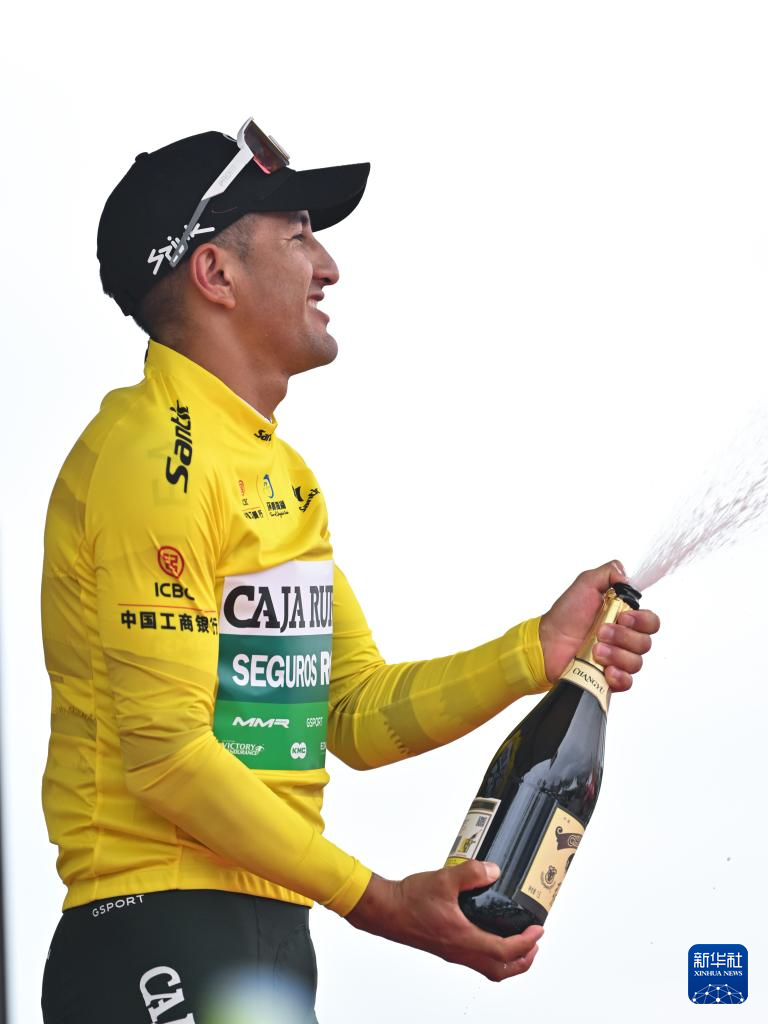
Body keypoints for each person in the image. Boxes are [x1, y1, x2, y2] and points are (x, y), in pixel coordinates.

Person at [40, 118, 660, 1024]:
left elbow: (353, 713)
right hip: (155, 927)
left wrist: (536, 651)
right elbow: (168, 757)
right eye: (298, 236)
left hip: (270, 935)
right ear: (214, 273)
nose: (328, 266)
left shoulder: (278, 474)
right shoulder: (151, 458)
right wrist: (379, 903)